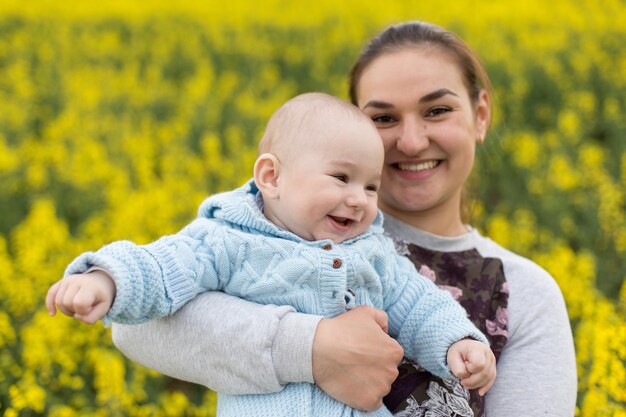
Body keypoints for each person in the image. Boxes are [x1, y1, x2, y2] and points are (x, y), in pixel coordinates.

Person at [111, 21, 577, 416]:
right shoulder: (276, 227)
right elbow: (136, 323)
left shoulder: (523, 293)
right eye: (383, 118)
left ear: (479, 115)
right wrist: (314, 350)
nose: (412, 142)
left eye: (437, 110)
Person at [46, 92, 496, 417]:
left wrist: (458, 341)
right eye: (341, 178)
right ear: (271, 177)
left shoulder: (372, 252)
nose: (359, 199)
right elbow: (163, 266)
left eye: (371, 186)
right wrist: (105, 279)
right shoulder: (228, 240)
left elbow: (417, 302)